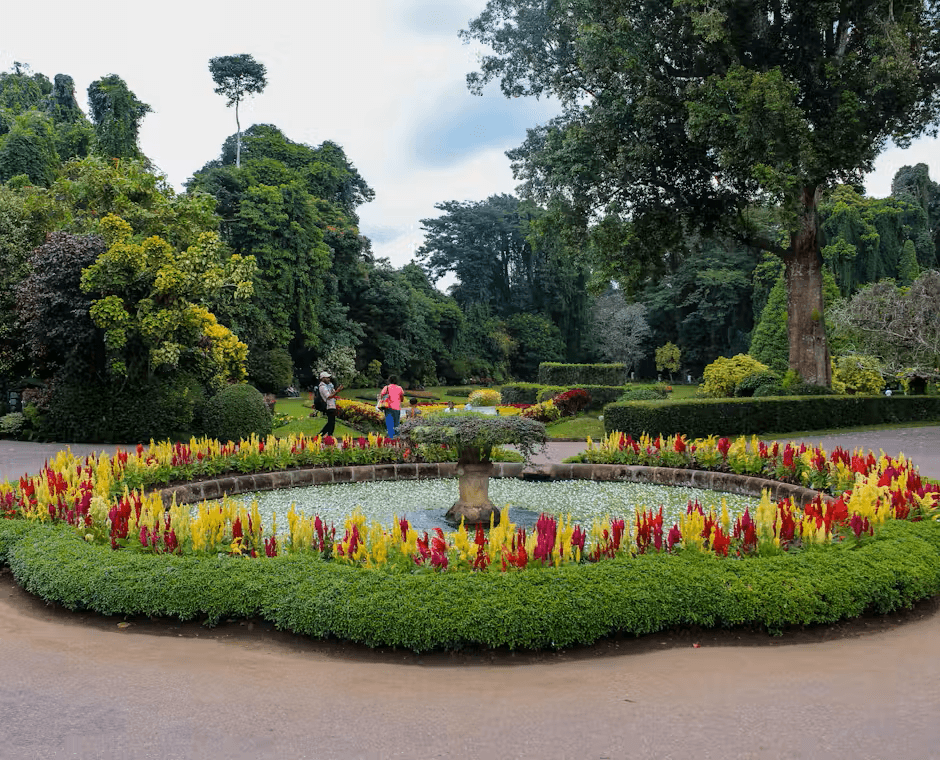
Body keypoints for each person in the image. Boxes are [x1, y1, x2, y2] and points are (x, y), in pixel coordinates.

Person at [316, 371, 343, 437]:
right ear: (322, 378)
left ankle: (323, 436)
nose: (329, 379)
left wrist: (336, 394)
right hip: (328, 406)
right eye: (327, 378)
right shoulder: (322, 387)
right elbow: (329, 396)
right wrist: (337, 391)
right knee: (331, 423)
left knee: (331, 423)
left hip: (332, 405)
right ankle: (324, 436)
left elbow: (333, 394)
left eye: (329, 378)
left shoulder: (329, 385)